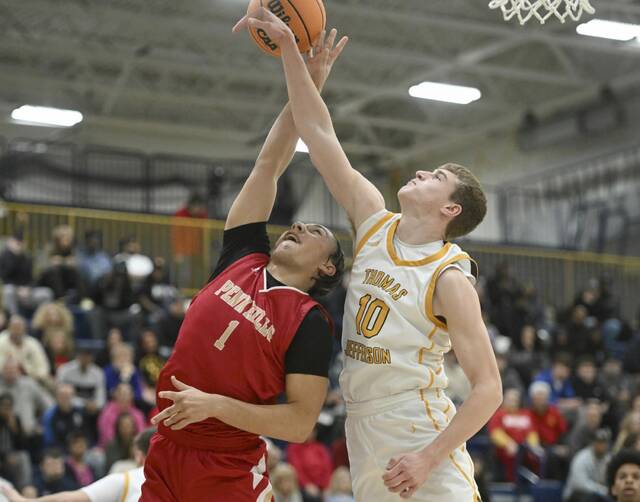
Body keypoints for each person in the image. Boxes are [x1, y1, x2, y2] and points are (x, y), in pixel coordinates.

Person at [233, 12, 502, 501]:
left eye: (436, 175)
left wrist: (428, 457)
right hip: (362, 426)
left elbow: (488, 390)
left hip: (416, 424)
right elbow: (316, 132)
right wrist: (291, 50)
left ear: (450, 208)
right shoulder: (374, 220)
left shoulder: (449, 278)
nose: (421, 170)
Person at [141, 34, 347, 502]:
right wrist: (307, 82)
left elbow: (299, 424)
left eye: (314, 230)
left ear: (328, 269)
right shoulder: (243, 255)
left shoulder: (309, 322)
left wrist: (214, 407)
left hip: (227, 467)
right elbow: (268, 164)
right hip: (166, 450)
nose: (296, 224)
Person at [1, 428, 155, 502]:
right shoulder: (177, 478)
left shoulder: (127, 480)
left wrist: (22, 500)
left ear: (138, 455)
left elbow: (68, 499)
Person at [564, 428, 612, 502]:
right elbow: (580, 484)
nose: (601, 446)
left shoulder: (608, 458)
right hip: (575, 495)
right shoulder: (582, 457)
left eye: (604, 443)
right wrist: (602, 490)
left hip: (598, 494)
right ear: (593, 443)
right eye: (599, 442)